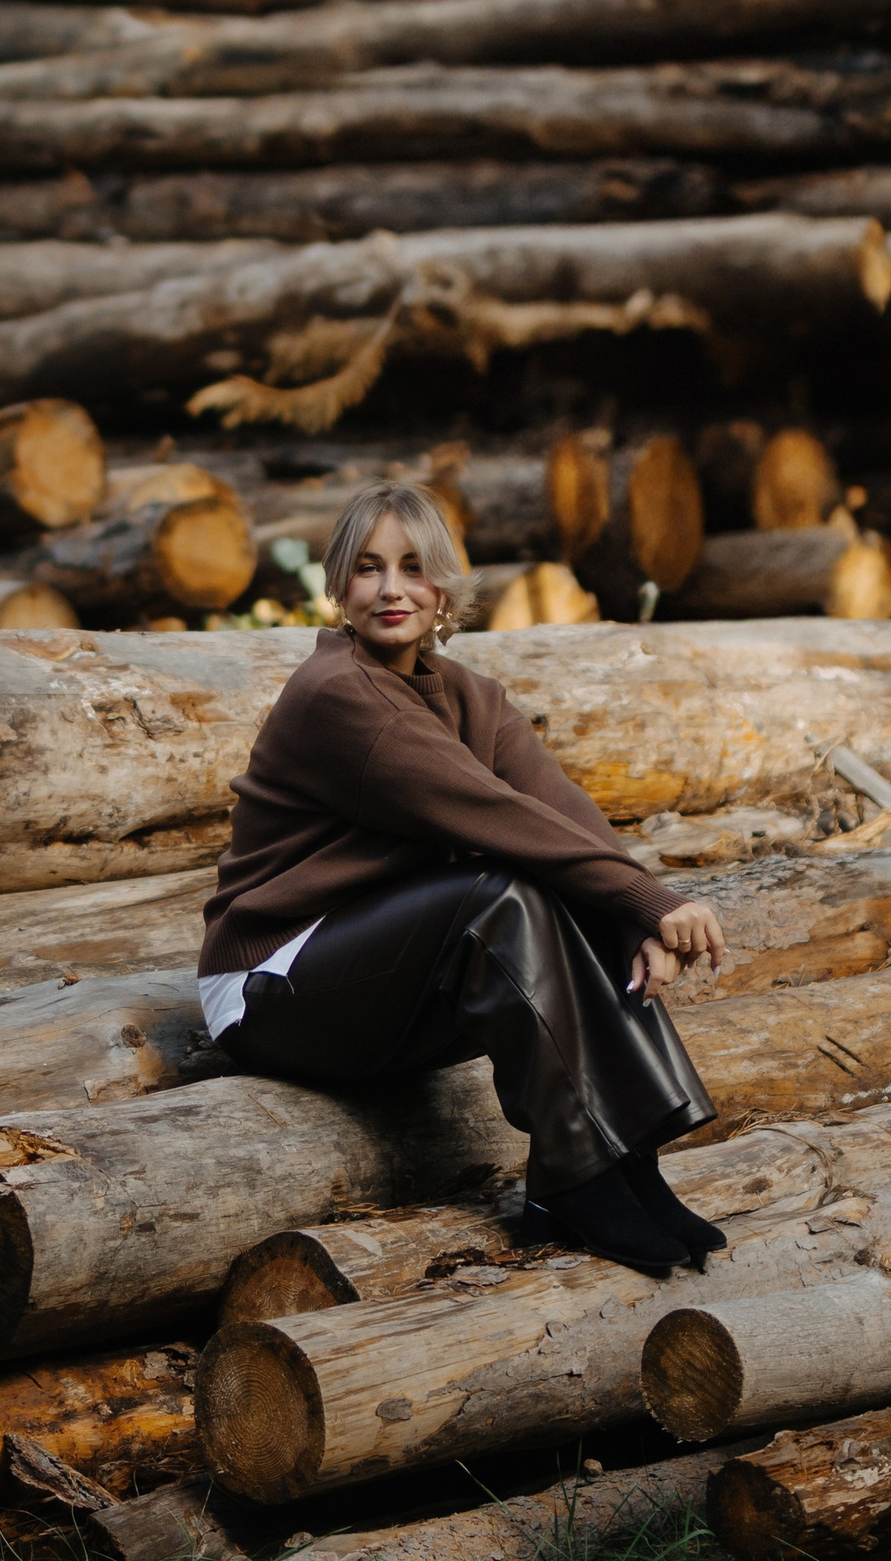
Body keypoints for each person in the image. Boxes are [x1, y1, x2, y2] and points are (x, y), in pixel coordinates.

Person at [198, 478, 729, 1277]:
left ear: (443, 584)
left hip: (378, 973)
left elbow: (558, 810)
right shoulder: (339, 693)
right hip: (275, 983)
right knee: (503, 896)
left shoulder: (470, 695)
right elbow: (493, 814)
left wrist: (635, 920)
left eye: (414, 567)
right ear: (341, 586)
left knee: (563, 887)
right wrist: (653, 900)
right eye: (369, 567)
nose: (392, 588)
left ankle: (631, 1161)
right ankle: (575, 1176)